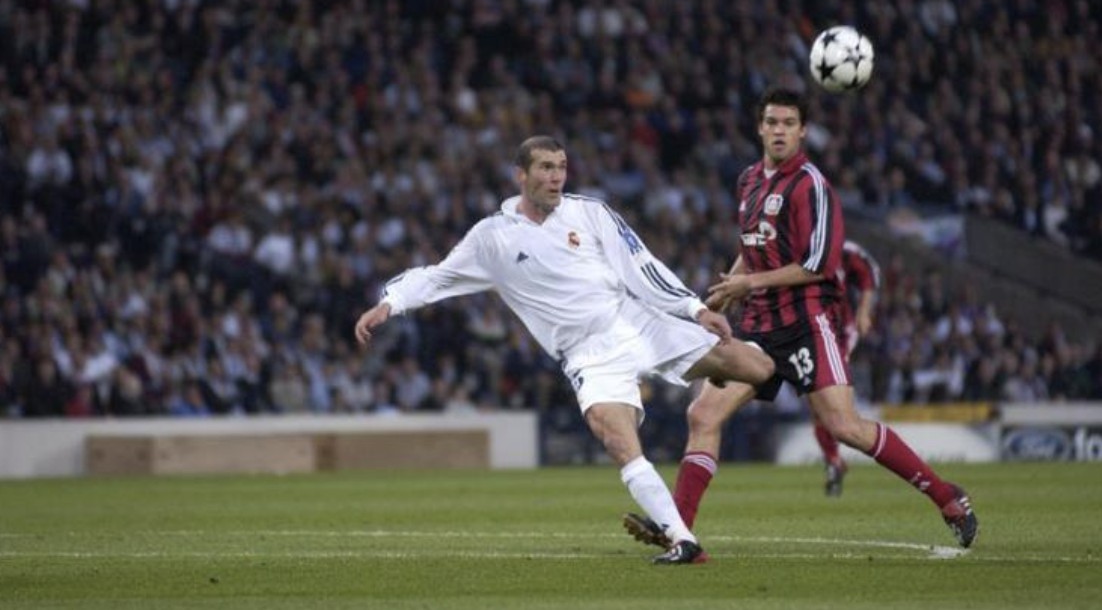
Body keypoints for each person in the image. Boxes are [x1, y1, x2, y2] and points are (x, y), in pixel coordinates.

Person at [354, 135, 777, 565]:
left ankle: (786, 355)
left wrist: (694, 309)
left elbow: (642, 265)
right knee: (616, 438)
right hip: (587, 355)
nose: (556, 177)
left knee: (760, 368)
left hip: (635, 320)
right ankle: (682, 539)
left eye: (561, 167)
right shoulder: (492, 238)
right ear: (521, 176)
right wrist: (390, 302)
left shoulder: (590, 212)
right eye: (545, 168)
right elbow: (437, 277)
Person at [622, 88, 978, 551]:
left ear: (803, 131)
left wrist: (748, 284)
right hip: (757, 327)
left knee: (844, 427)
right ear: (759, 128)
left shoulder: (812, 186)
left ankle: (947, 498)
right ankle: (679, 532)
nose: (779, 131)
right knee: (703, 413)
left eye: (789, 123)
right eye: (772, 122)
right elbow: (752, 247)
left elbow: (818, 265)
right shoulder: (749, 180)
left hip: (807, 324)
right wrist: (726, 291)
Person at [815, 238, 881, 496]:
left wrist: (864, 311)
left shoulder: (843, 250)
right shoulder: (793, 245)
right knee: (817, 406)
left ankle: (835, 459)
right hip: (806, 334)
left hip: (839, 333)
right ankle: (833, 459)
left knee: (828, 402)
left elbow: (870, 272)